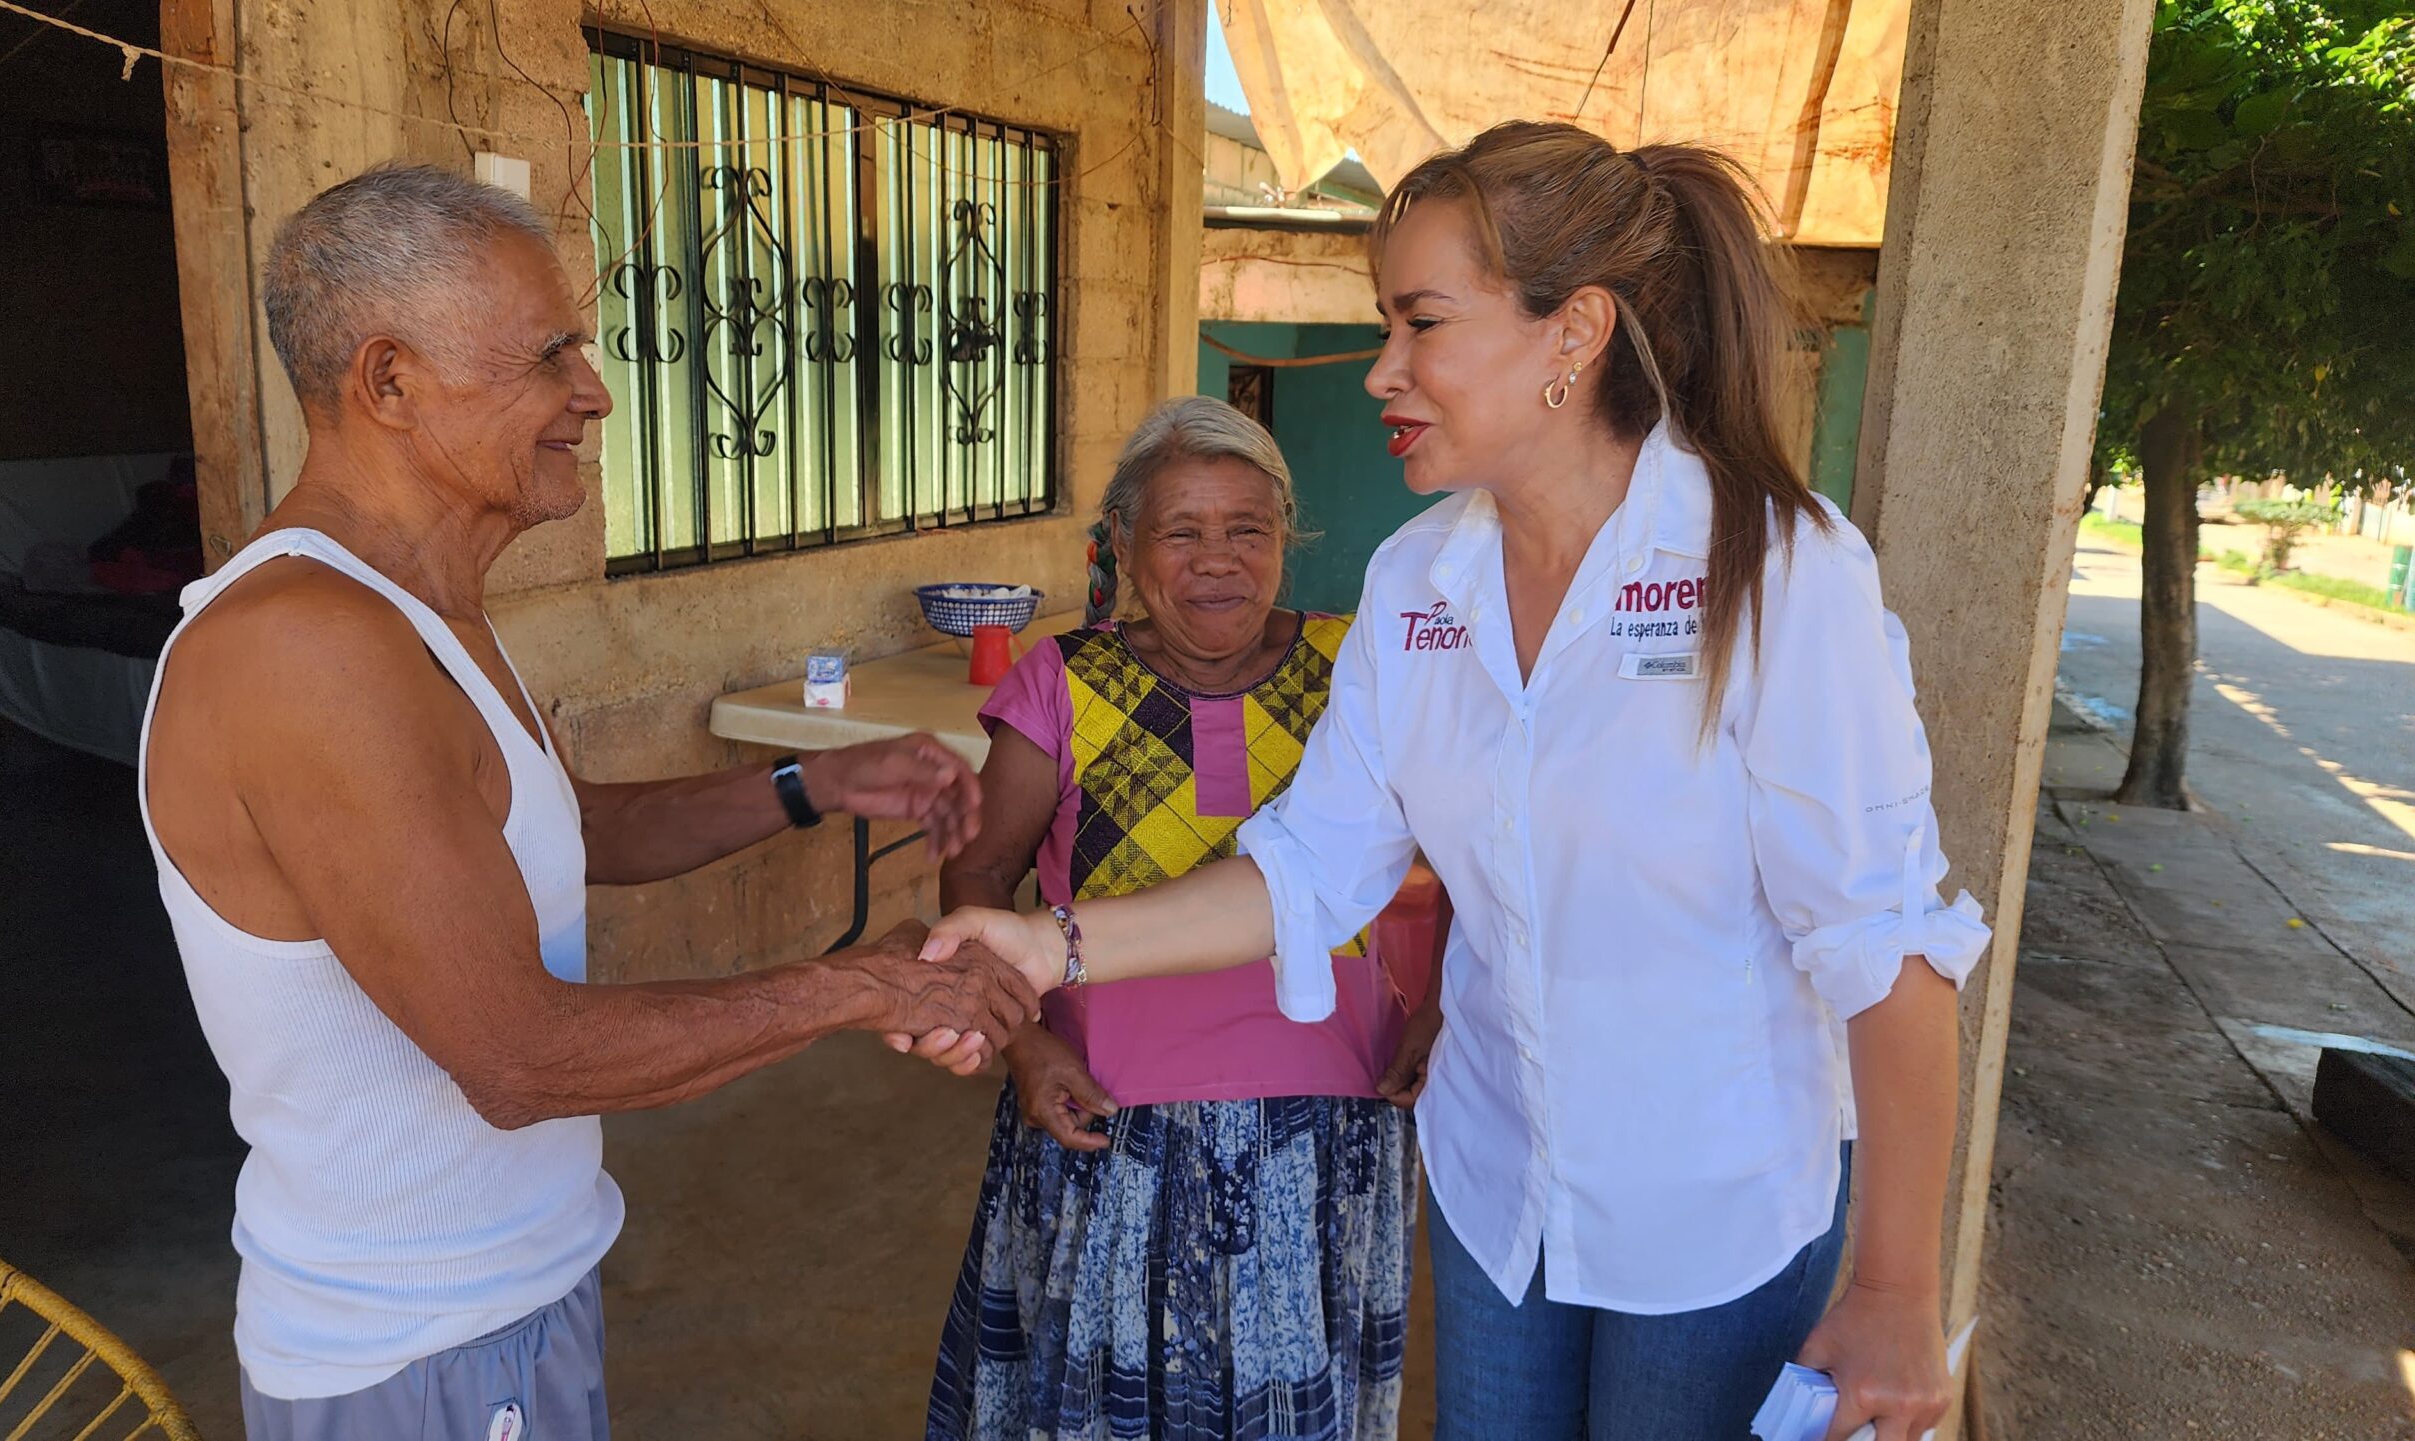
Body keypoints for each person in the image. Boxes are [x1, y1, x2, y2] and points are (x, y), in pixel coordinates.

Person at [926, 122, 1991, 1441]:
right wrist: (1044, 942)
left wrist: (1895, 1281)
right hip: (1500, 1191)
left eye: (1420, 323)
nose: (1384, 370)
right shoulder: (1417, 581)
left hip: (1712, 1208)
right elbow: (1312, 866)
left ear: (1572, 334)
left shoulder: (1774, 570)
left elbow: (1886, 943)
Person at [139, 163, 1042, 1441]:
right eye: (547, 351)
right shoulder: (306, 645)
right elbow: (515, 1054)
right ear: (387, 382)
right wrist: (863, 983)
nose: (592, 389)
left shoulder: (422, 614)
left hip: (507, 1303)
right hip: (419, 1346)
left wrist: (809, 781)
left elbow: (553, 836)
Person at [920, 396, 1430, 1441]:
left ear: (1287, 535)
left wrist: (1439, 1010)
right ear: (1120, 545)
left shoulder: (1360, 669)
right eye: (1180, 531)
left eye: (1247, 529)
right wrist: (1022, 1048)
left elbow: (1476, 852)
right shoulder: (1061, 683)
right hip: (1111, 1114)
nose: (1218, 561)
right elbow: (977, 873)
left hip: (1327, 1118)